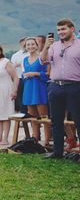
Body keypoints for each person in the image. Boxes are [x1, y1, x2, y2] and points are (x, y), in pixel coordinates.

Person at [40, 19, 80, 159]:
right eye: (58, 30)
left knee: (78, 119)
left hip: (74, 86)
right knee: (56, 121)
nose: (60, 32)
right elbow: (43, 60)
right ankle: (57, 152)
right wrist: (46, 46)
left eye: (63, 29)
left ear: (72, 29)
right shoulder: (54, 46)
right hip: (55, 86)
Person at [22, 37, 50, 144]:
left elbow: (48, 74)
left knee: (44, 117)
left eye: (32, 44)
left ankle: (46, 141)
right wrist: (25, 75)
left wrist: (36, 74)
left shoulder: (42, 58)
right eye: (28, 45)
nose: (30, 47)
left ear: (37, 45)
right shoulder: (25, 59)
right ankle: (35, 138)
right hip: (28, 88)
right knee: (33, 116)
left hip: (39, 88)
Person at [10, 38, 28, 112]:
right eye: (25, 43)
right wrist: (16, 65)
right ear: (21, 44)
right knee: (20, 98)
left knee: (28, 97)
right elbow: (11, 67)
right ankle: (22, 114)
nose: (26, 45)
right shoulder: (15, 55)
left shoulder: (31, 53)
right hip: (19, 78)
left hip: (29, 78)